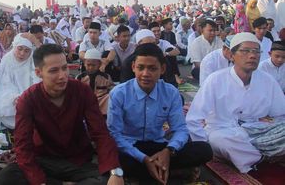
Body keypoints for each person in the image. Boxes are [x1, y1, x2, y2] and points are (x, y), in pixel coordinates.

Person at [0, 44, 124, 185]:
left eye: (65, 68)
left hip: (78, 160)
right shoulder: (28, 99)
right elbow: (23, 146)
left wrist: (114, 171)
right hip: (44, 160)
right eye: (54, 71)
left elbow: (100, 133)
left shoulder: (82, 91)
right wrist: (39, 181)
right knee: (9, 176)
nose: (62, 76)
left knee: (106, 179)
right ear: (39, 73)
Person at [108, 43, 213, 183]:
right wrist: (144, 159)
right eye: (141, 67)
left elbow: (180, 129)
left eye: (152, 68)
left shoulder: (170, 92)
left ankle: (151, 173)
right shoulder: (119, 93)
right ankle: (168, 173)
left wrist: (168, 151)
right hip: (131, 149)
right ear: (133, 67)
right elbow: (115, 134)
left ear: (162, 69)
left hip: (159, 146)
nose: (145, 74)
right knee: (114, 155)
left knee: (204, 150)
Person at [186, 32, 285, 173]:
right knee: (220, 140)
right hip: (225, 132)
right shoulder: (215, 80)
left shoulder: (267, 80)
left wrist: (269, 126)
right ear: (232, 55)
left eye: (256, 51)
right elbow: (193, 119)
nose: (252, 55)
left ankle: (258, 154)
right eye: (245, 51)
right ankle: (260, 158)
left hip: (259, 131)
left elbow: (280, 114)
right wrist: (204, 147)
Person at [0, 34, 40, 129]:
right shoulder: (8, 59)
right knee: (3, 112)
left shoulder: (32, 62)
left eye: (26, 50)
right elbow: (4, 84)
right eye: (19, 49)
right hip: (10, 99)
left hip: (30, 99)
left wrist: (28, 97)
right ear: (14, 47)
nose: (22, 53)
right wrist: (14, 97)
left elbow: (37, 83)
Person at [76, 49, 114, 115]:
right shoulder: (80, 77)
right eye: (88, 65)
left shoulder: (106, 77)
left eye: (93, 65)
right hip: (84, 103)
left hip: (100, 103)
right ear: (84, 64)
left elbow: (112, 91)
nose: (90, 67)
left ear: (99, 64)